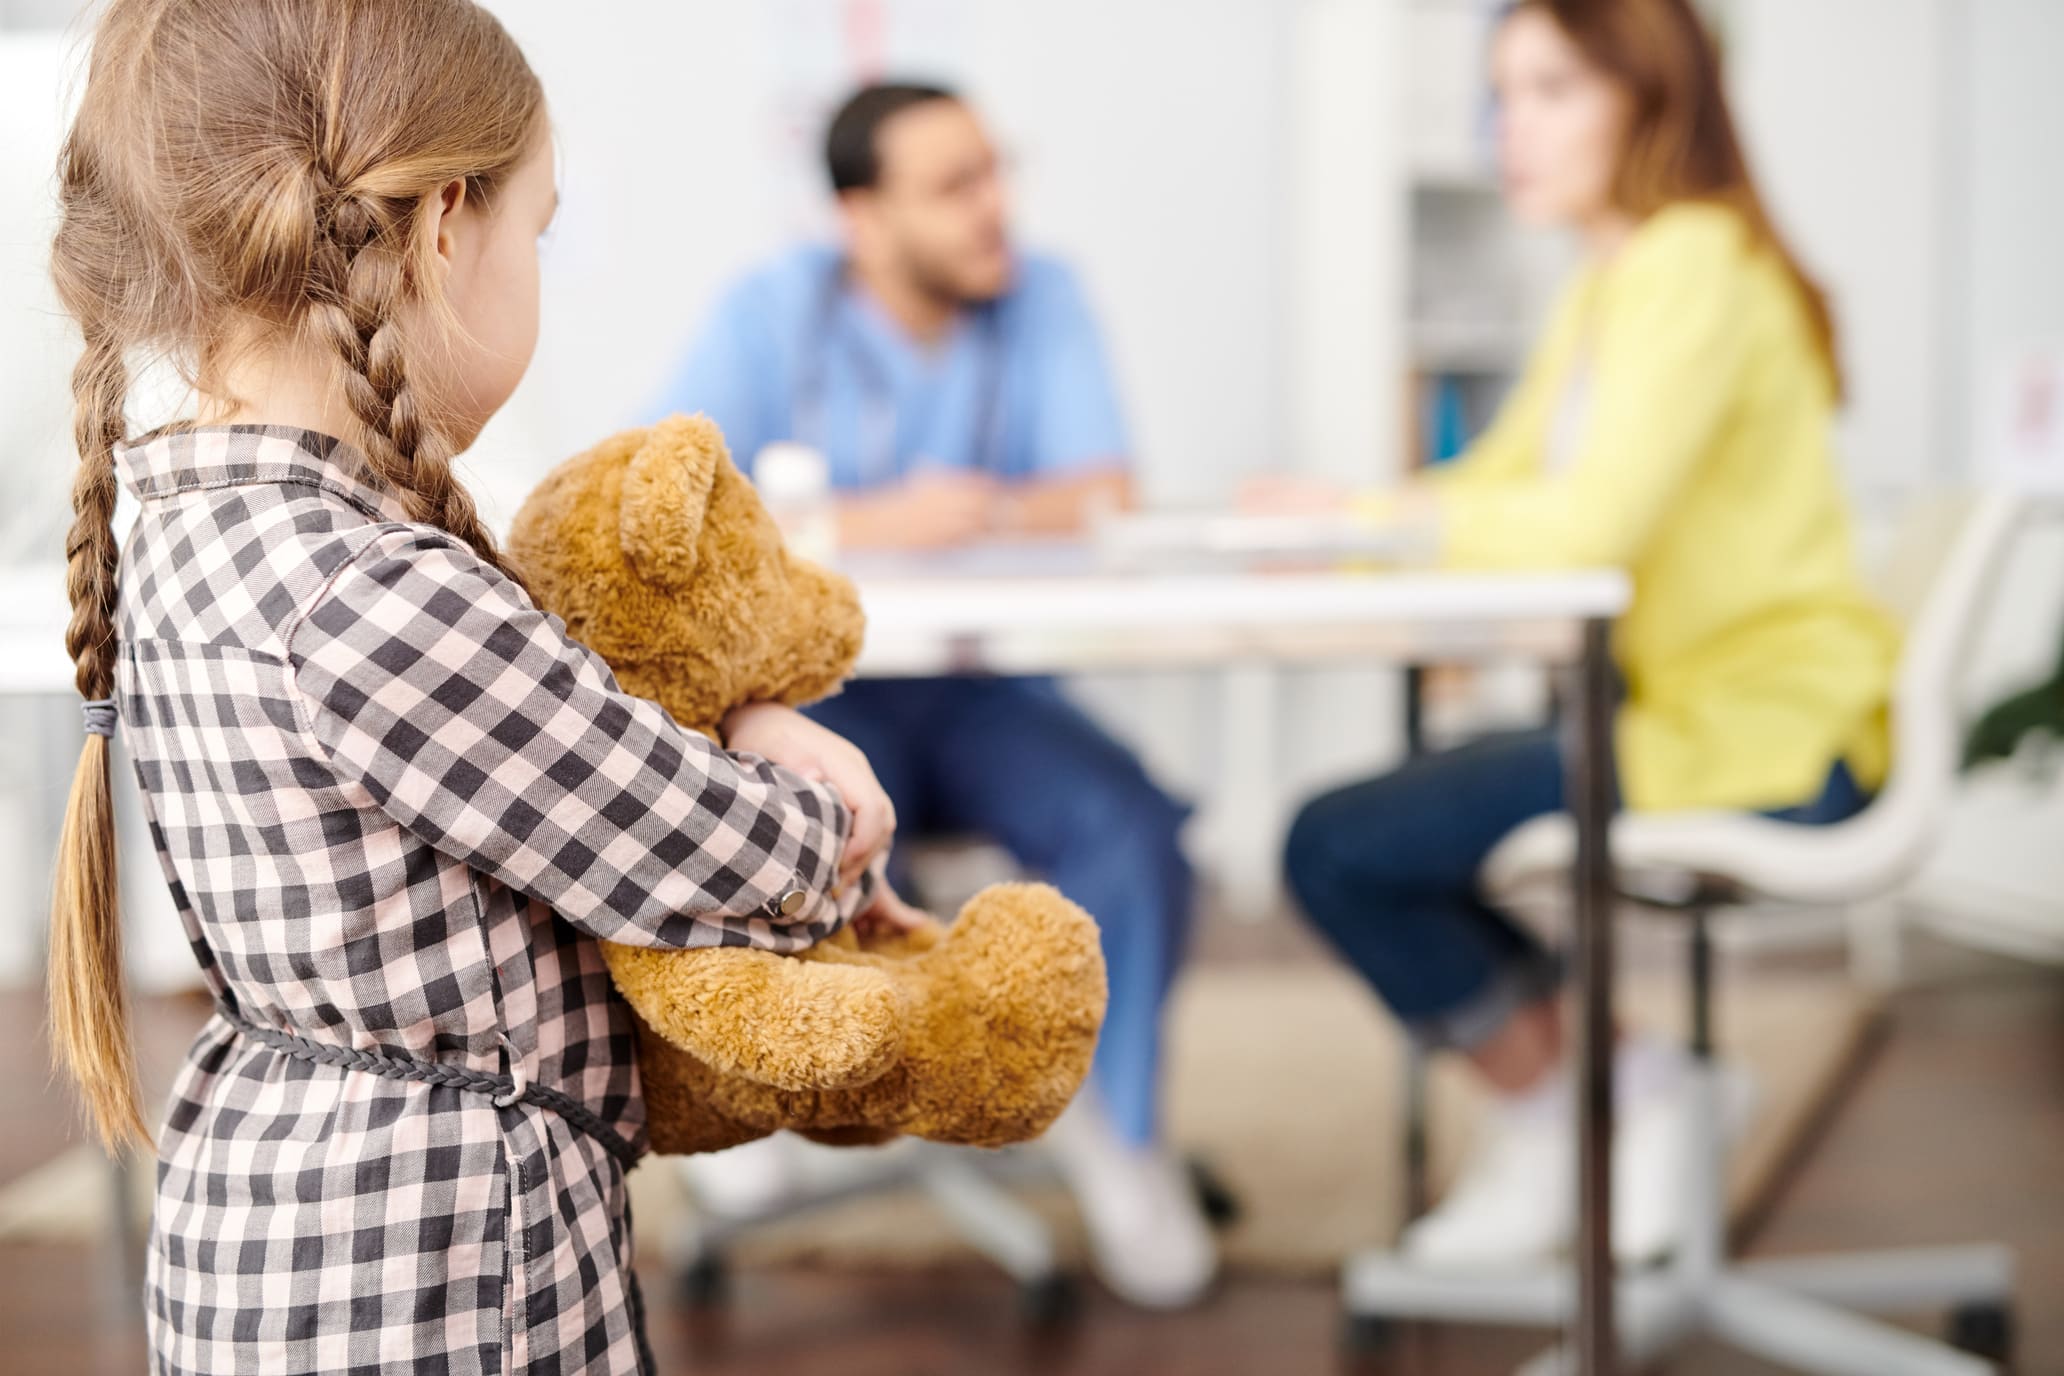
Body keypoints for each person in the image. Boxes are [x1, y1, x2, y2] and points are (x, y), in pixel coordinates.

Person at [43, 3, 922, 1370]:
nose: (537, 266)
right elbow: (705, 855)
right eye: (539, 228)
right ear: (446, 223)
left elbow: (550, 755)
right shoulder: (373, 596)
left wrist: (735, 716)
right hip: (439, 1260)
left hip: (263, 1231)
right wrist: (835, 816)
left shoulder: (193, 528)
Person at [1253, 0, 1900, 1268]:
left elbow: (1589, 521)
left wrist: (1378, 517)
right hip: (1685, 717)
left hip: (1762, 736)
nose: (1513, 130)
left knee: (1338, 846)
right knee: (1368, 835)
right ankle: (1630, 1095)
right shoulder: (1615, 279)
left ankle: (1590, 1109)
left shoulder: (1691, 263)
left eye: (1552, 90)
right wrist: (1354, 517)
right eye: (1503, 95)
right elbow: (1498, 482)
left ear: (1649, 94)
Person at [654, 82, 1213, 1306]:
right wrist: (870, 519)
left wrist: (993, 508)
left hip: (984, 693)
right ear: (861, 216)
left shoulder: (1043, 297)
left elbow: (1102, 486)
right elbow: (663, 501)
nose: (993, 209)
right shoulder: (768, 313)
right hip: (826, 698)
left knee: (1133, 828)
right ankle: (767, 1101)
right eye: (954, 187)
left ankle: (1115, 1127)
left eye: (995, 173)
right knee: (794, 823)